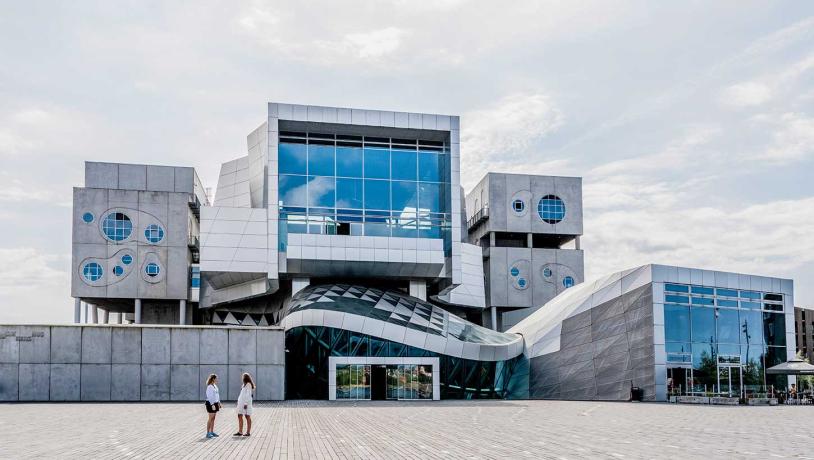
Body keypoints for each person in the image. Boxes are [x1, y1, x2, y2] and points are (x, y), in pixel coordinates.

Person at [234, 373, 256, 437]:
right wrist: (239, 401)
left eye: (243, 377)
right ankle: (240, 431)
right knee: (239, 415)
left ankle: (248, 432)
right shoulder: (243, 385)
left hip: (246, 403)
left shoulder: (248, 385)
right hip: (241, 403)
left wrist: (246, 403)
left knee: (247, 416)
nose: (242, 378)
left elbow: (248, 395)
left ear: (245, 378)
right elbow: (242, 394)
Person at [205, 374, 221, 439]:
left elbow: (217, 395)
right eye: (216, 378)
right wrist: (212, 405)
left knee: (213, 418)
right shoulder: (209, 387)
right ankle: (208, 433)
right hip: (210, 403)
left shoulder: (215, 386)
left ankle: (212, 432)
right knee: (210, 418)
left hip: (216, 403)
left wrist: (219, 402)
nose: (217, 380)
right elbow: (209, 396)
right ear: (213, 379)